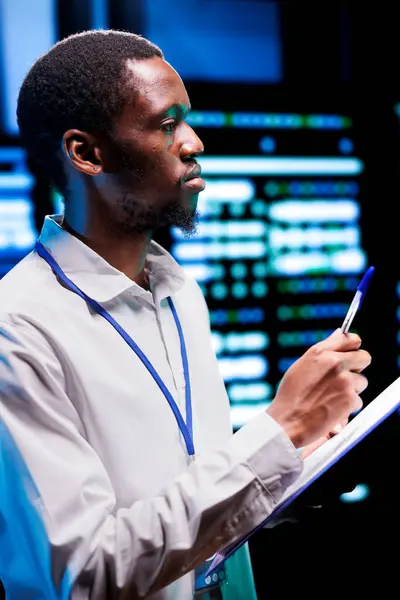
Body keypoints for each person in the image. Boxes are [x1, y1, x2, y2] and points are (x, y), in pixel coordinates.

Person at [0, 29, 371, 600]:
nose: (194, 142)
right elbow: (87, 575)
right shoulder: (17, 329)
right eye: (167, 123)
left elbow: (187, 507)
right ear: (87, 153)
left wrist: (296, 463)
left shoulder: (177, 288)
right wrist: (279, 430)